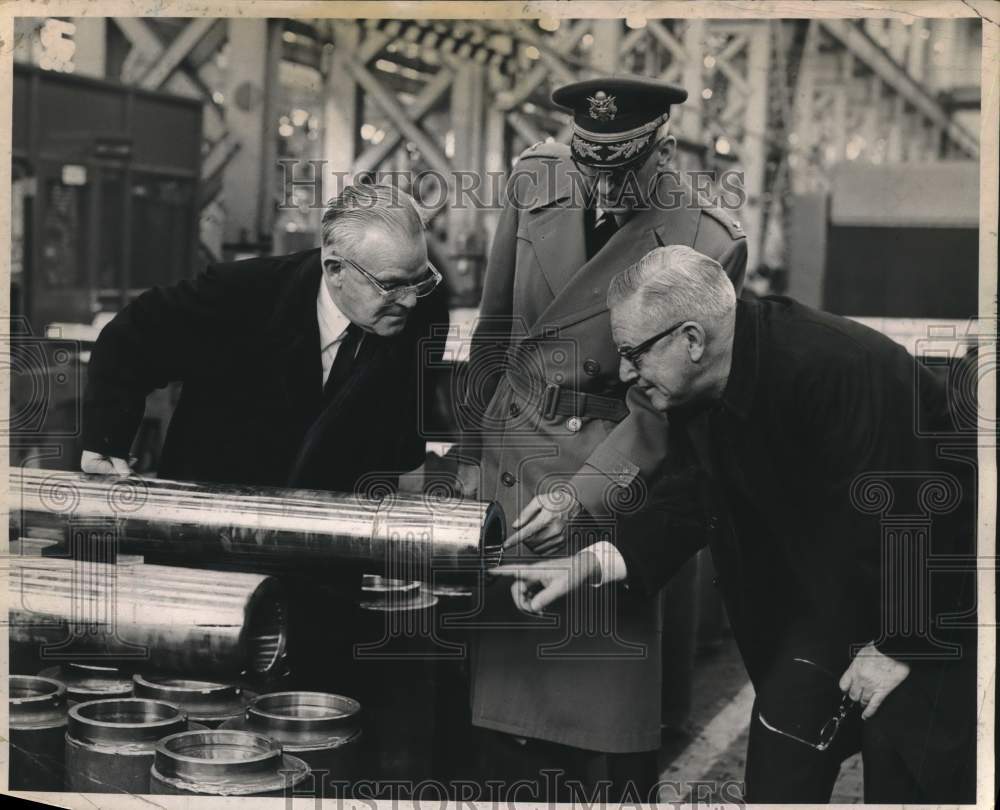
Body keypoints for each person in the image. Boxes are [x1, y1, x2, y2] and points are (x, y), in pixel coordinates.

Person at [496, 245, 977, 803]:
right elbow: (694, 495)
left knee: (906, 778)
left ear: (692, 340)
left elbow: (927, 515)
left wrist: (898, 646)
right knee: (778, 774)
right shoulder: (703, 385)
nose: (626, 373)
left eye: (633, 353)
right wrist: (589, 563)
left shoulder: (834, 368)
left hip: (929, 609)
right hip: (831, 604)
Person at [452, 77, 747, 800]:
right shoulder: (535, 181)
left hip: (608, 472)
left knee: (598, 719)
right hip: (509, 456)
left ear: (663, 150)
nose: (604, 186)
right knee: (497, 720)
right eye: (590, 167)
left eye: (622, 170)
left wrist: (581, 498)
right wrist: (466, 455)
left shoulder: (708, 237)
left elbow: (665, 407)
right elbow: (493, 334)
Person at [81, 183, 447, 692]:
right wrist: (105, 444)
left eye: (420, 279)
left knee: (313, 702)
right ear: (335, 269)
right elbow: (129, 338)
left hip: (323, 560)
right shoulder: (242, 295)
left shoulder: (421, 307)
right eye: (392, 285)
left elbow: (402, 424)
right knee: (202, 698)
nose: (409, 298)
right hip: (213, 549)